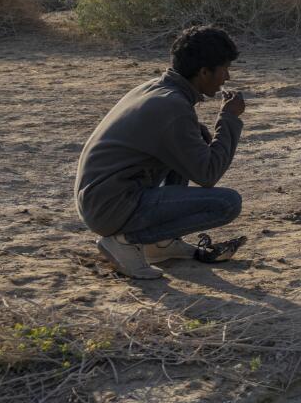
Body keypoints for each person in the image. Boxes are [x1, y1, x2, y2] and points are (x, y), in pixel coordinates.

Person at [75, 24, 249, 280]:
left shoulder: (157, 89)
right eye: (224, 69)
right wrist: (228, 118)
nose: (227, 78)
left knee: (193, 138)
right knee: (227, 204)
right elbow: (208, 174)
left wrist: (201, 132)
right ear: (203, 72)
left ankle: (161, 245)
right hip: (112, 208)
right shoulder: (173, 106)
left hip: (101, 201)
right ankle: (125, 241)